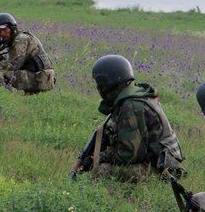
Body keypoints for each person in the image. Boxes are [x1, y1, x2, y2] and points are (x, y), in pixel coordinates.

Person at [70, 54, 185, 182]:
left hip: (161, 171)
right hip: (160, 164)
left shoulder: (130, 105)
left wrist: (98, 157)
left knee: (101, 171)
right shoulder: (137, 95)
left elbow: (130, 154)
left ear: (107, 82)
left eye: (100, 84)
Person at [0, 13, 55, 94]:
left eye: (4, 29)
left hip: (41, 78)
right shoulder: (14, 39)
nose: (2, 33)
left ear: (11, 28)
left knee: (0, 75)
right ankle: (29, 95)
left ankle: (14, 98)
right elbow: (18, 62)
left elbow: (14, 65)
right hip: (40, 76)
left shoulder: (20, 39)